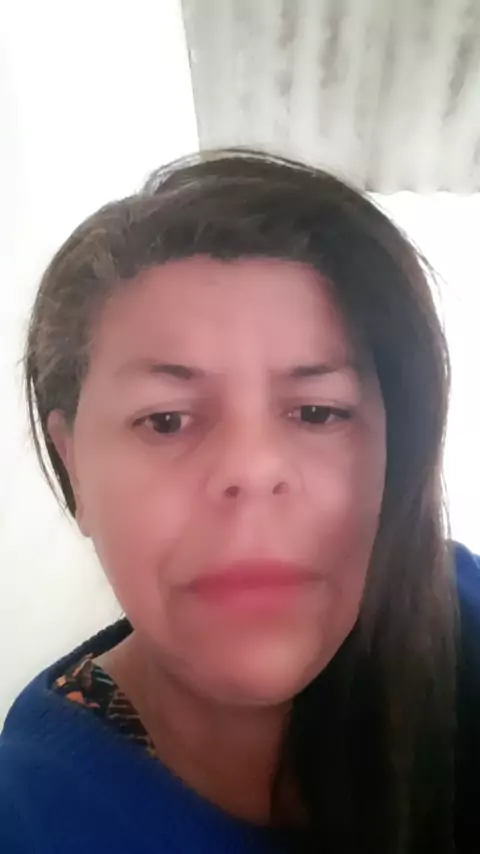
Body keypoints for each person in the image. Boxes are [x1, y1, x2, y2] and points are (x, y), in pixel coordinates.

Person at [0, 150, 479, 854]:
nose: (252, 471)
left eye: (317, 412)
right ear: (72, 463)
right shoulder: (32, 816)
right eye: (166, 420)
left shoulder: (458, 607)